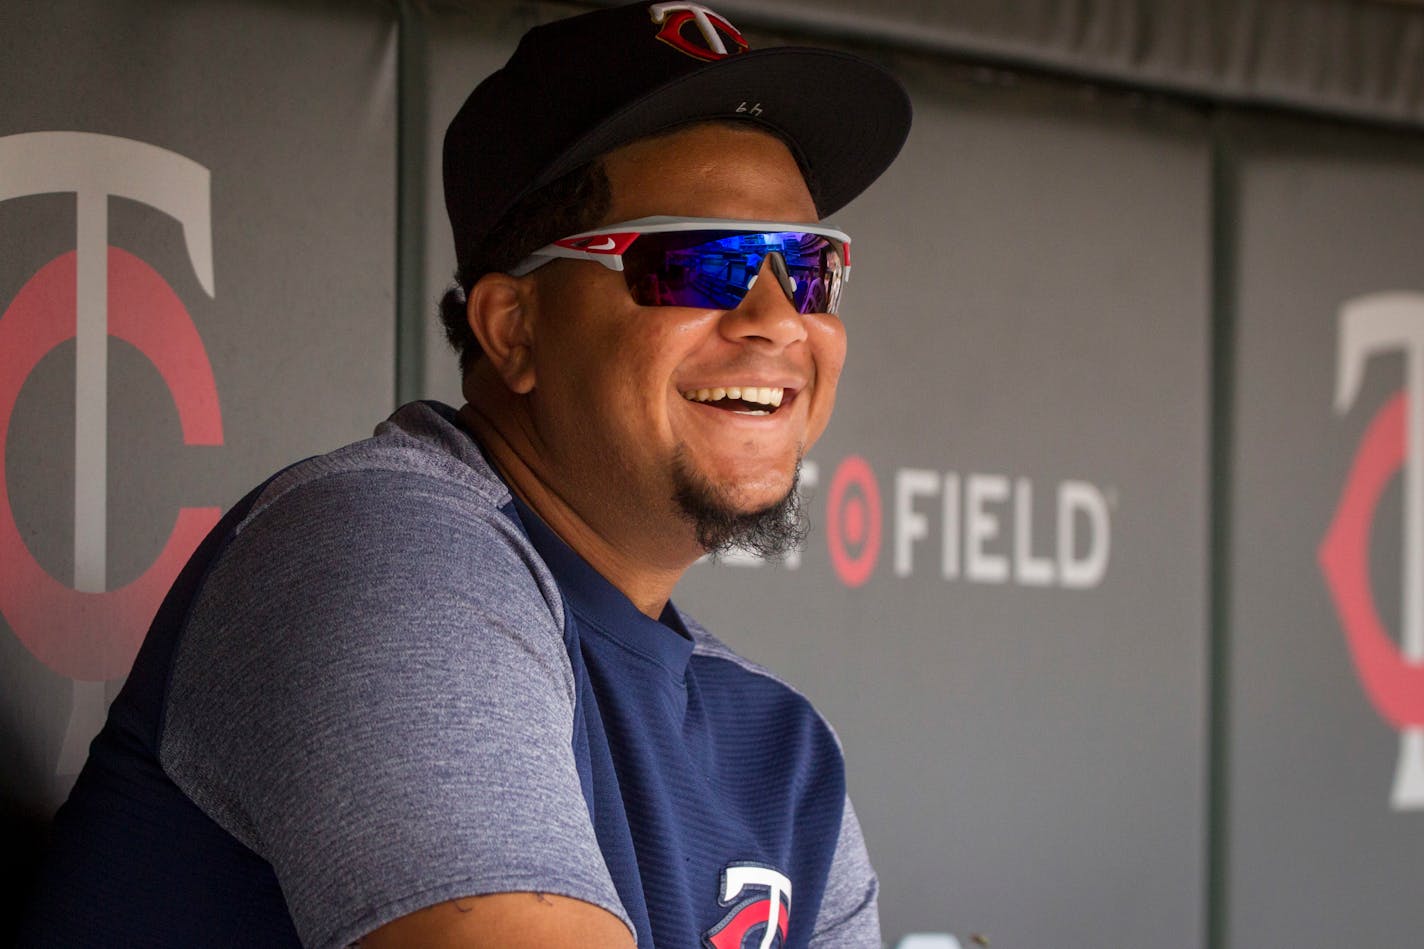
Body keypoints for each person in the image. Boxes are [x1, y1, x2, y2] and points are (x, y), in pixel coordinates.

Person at [21, 3, 911, 947]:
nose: (778, 319)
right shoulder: (380, 553)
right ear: (514, 328)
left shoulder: (778, 748)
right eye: (701, 262)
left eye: (808, 269)